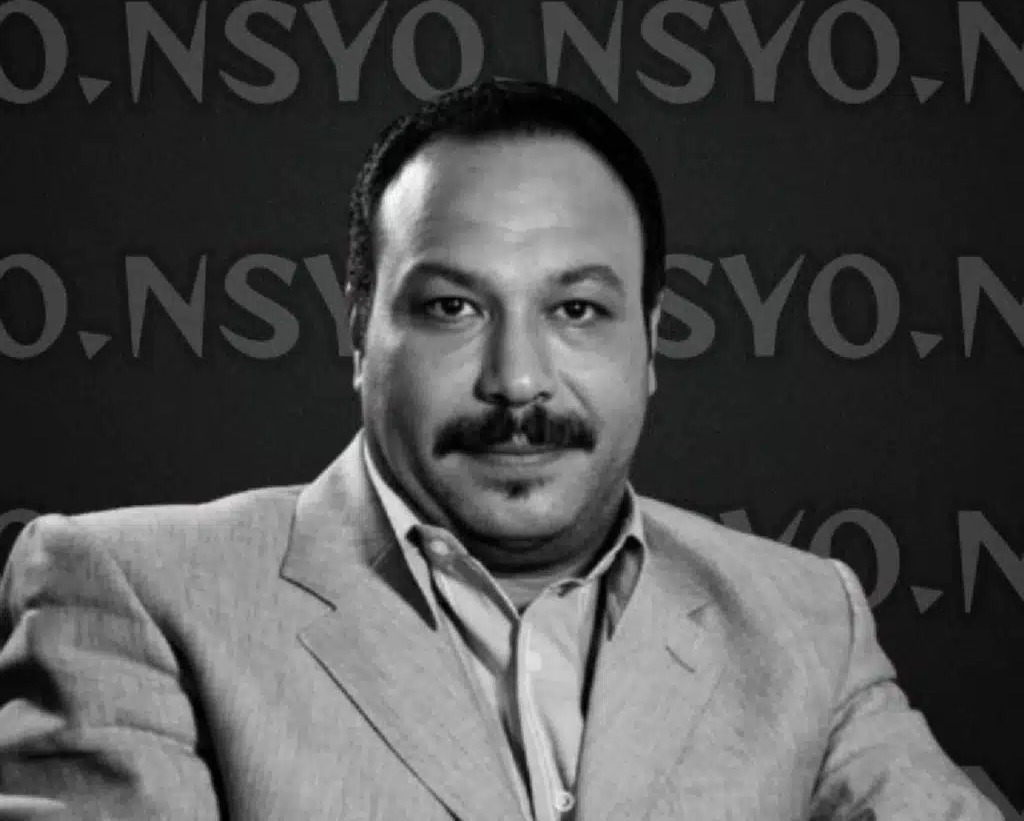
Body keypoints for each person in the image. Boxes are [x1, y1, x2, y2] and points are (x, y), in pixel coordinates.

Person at [0, 80, 998, 820]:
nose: (518, 381)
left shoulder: (803, 621)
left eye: (577, 309)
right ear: (359, 335)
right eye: (452, 307)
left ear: (651, 344)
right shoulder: (135, 592)